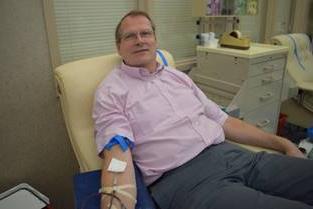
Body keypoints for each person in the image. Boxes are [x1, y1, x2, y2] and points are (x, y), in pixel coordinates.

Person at [93, 10, 313, 209]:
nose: (140, 40)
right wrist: (116, 200)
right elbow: (116, 151)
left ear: (155, 40)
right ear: (118, 46)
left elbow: (224, 121)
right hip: (186, 181)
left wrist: (284, 144)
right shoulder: (112, 91)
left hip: (233, 155)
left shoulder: (177, 77)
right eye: (130, 36)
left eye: (146, 33)